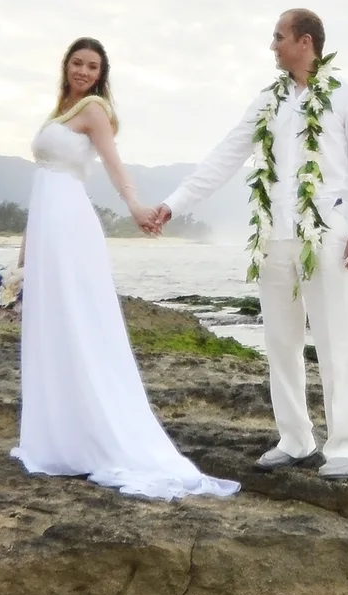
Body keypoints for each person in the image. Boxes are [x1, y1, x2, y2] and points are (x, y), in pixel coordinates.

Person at [143, 8, 348, 481]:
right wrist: (174, 204)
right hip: (273, 236)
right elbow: (225, 155)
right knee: (280, 341)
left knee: (337, 340)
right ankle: (295, 438)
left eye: (279, 37)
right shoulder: (268, 101)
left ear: (306, 42)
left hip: (327, 235)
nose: (272, 46)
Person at [13, 36, 238, 501]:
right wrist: (24, 251)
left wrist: (135, 205)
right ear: (66, 65)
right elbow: (41, 184)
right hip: (46, 226)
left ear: (101, 74)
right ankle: (58, 437)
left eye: (92, 66)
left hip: (71, 226)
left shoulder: (94, 110)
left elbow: (114, 167)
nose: (83, 71)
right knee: (52, 325)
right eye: (77, 63)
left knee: (80, 323)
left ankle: (98, 436)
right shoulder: (60, 112)